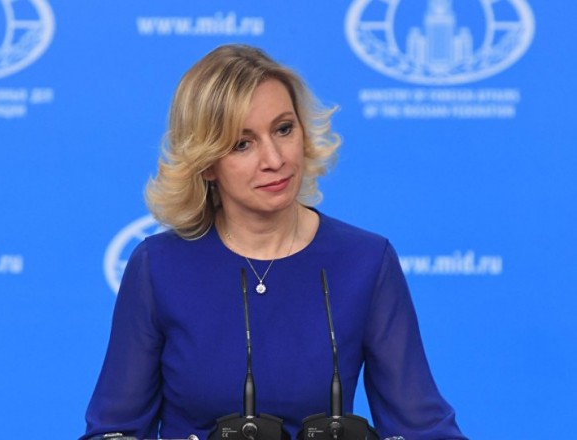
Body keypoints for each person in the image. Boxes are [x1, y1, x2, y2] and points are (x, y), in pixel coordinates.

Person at [81, 44, 467, 440]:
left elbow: (425, 429)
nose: (275, 159)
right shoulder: (158, 267)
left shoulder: (365, 261)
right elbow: (114, 430)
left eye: (284, 129)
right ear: (207, 163)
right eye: (242, 143)